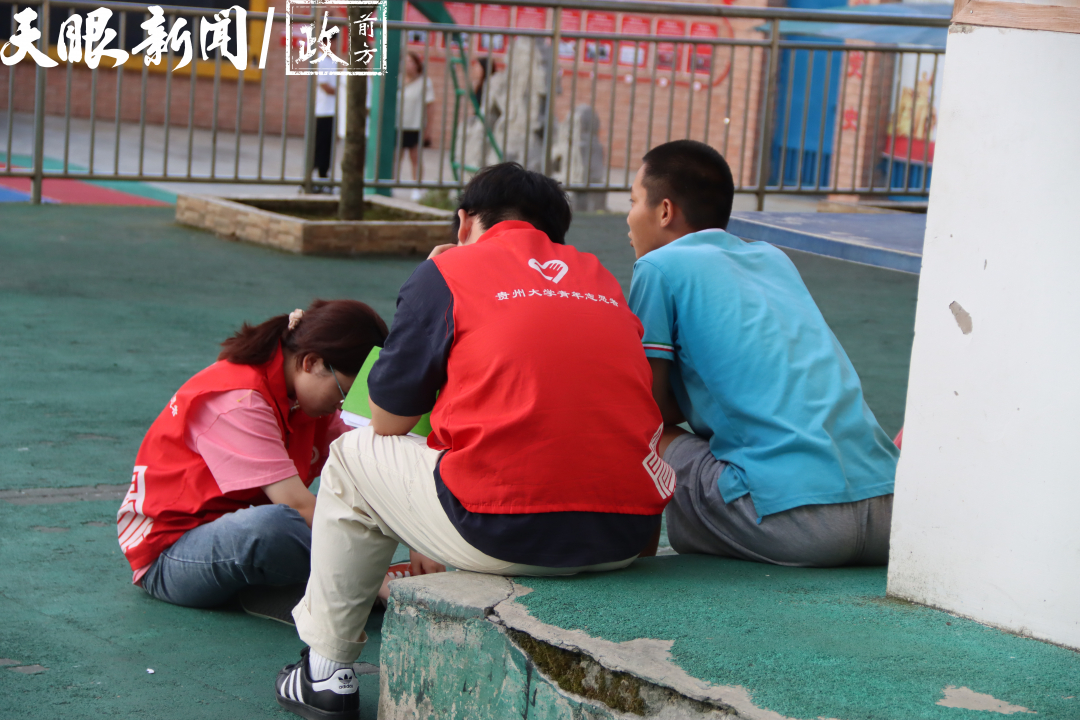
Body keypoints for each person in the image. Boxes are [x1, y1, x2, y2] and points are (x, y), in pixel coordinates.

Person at [273, 163, 674, 720]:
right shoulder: (600, 278)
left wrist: (431, 283)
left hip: (504, 529)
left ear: (464, 222)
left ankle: (325, 671)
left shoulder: (450, 271)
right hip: (624, 538)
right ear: (557, 233)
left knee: (350, 454)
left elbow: (387, 417)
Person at [625, 140, 899, 568]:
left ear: (664, 211)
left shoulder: (659, 267)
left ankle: (632, 549)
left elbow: (650, 409)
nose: (628, 219)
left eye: (633, 201)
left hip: (799, 523)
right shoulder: (773, 259)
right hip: (889, 512)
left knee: (644, 431)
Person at [116, 300, 388, 611]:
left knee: (342, 508)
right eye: (345, 393)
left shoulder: (305, 394)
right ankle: (358, 586)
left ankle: (309, 589)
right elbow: (296, 505)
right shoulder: (240, 399)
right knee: (277, 526)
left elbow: (372, 460)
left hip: (229, 536)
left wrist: (421, 544)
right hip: (169, 556)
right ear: (311, 362)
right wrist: (374, 577)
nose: (344, 407)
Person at [398, 51, 436, 201]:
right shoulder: (397, 80)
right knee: (396, 157)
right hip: (398, 125)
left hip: (415, 125)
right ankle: (391, 183)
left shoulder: (424, 82)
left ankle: (417, 187)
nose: (408, 65)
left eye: (411, 61)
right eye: (405, 61)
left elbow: (430, 106)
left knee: (415, 158)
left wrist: (428, 128)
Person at [312, 55, 340, 194]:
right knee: (319, 146)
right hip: (323, 110)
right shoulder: (320, 61)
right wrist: (343, 91)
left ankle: (323, 177)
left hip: (333, 110)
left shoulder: (334, 61)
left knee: (328, 146)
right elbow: (325, 86)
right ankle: (312, 178)